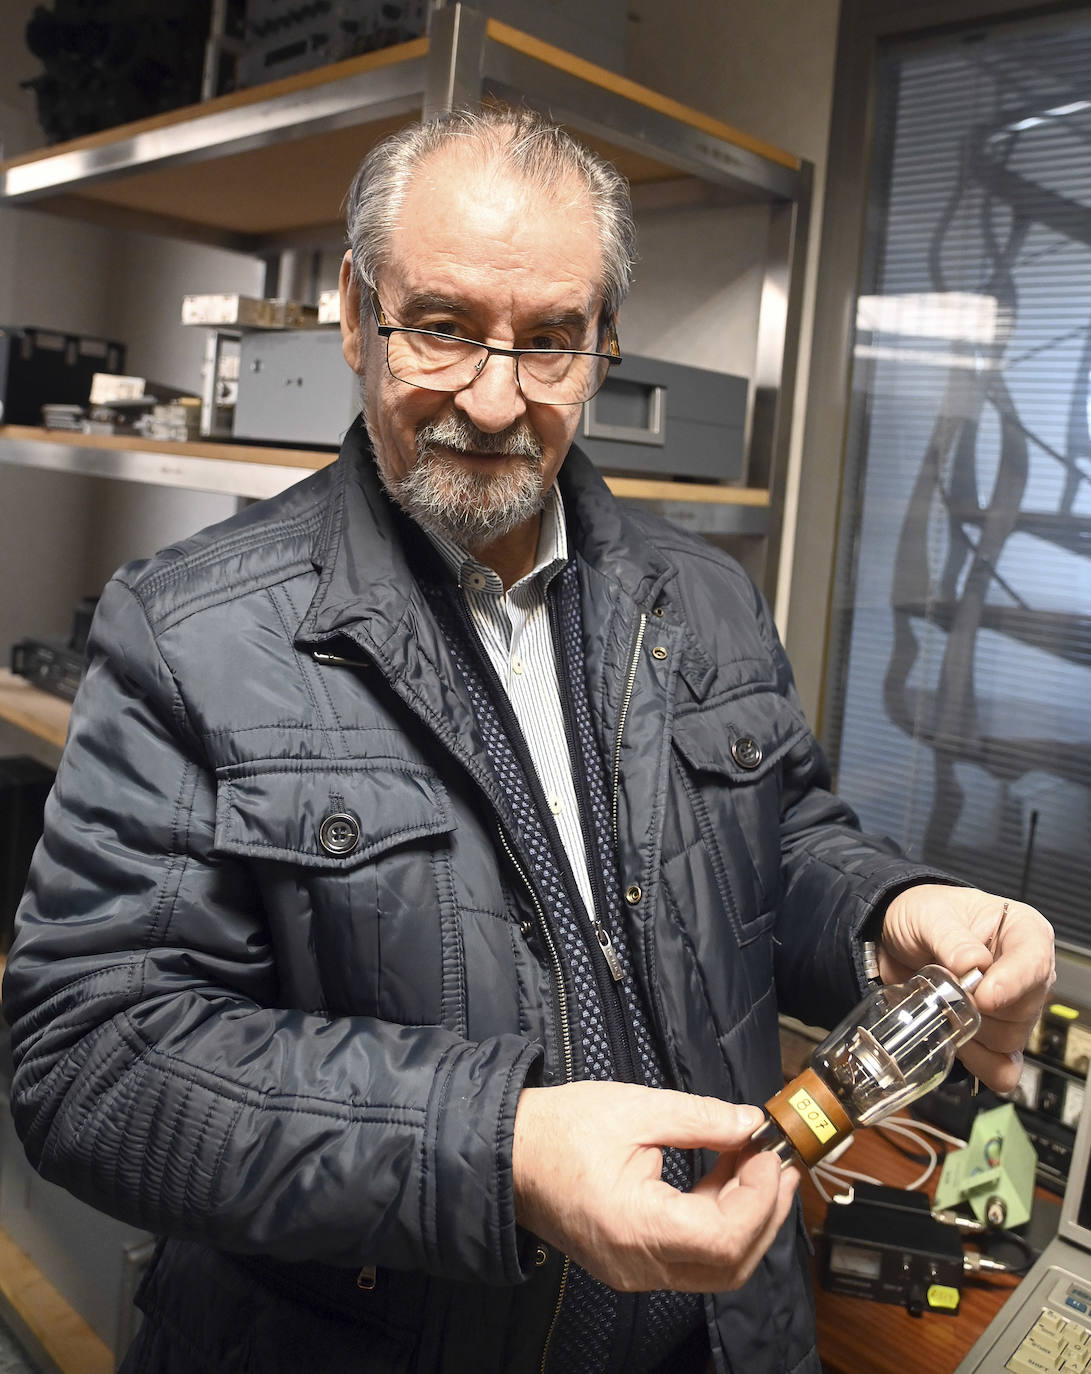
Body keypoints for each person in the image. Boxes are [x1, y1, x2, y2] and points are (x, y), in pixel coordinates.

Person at [3, 105, 1054, 1374]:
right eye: (441, 327)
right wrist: (496, 1149)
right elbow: (94, 1058)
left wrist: (893, 911)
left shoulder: (703, 596)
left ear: (602, 346)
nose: (494, 400)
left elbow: (775, 847)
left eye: (549, 341)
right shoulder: (188, 635)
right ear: (352, 312)